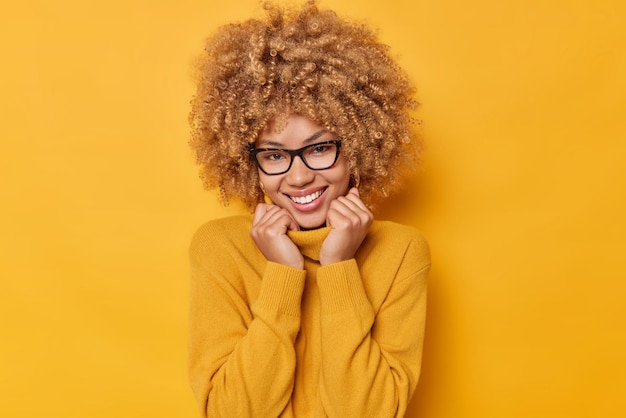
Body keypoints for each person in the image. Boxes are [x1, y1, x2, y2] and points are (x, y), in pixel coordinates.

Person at [187, 1, 430, 417]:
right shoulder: (220, 247)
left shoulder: (401, 251)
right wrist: (283, 274)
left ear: (357, 148)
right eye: (275, 155)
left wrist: (338, 266)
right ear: (252, 164)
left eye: (320, 149)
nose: (298, 178)